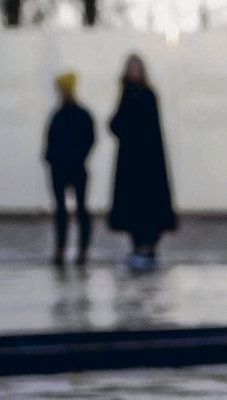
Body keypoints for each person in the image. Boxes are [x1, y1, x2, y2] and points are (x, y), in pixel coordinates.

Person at [106, 55, 176, 270]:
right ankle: (139, 247)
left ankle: (148, 247)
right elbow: (118, 124)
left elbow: (146, 130)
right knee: (133, 208)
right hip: (131, 164)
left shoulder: (147, 95)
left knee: (148, 207)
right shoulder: (127, 94)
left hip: (147, 164)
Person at [44, 71, 96, 265]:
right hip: (62, 168)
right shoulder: (61, 115)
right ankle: (62, 248)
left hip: (73, 167)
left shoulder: (75, 115)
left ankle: (80, 249)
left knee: (79, 209)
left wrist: (77, 157)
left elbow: (89, 140)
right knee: (62, 210)